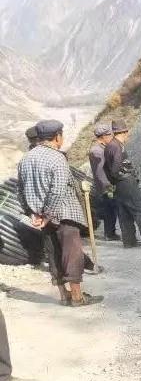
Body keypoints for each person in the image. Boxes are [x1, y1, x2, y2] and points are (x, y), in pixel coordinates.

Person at [16, 120, 106, 306]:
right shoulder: (57, 157)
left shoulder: (26, 159)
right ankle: (77, 297)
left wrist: (34, 214)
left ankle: (64, 295)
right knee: (72, 254)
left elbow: (20, 191)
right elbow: (57, 190)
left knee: (53, 253)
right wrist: (49, 214)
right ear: (57, 136)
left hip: (41, 217)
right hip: (64, 214)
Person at [103, 121, 141, 250]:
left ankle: (129, 241)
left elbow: (105, 168)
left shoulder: (109, 145)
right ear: (124, 132)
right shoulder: (118, 146)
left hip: (118, 185)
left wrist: (114, 180)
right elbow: (115, 168)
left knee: (124, 212)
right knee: (139, 211)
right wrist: (122, 176)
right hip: (126, 182)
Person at [88, 124, 120, 240]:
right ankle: (109, 234)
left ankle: (110, 232)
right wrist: (108, 186)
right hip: (106, 185)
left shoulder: (103, 148)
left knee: (111, 209)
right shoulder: (96, 151)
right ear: (103, 136)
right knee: (110, 210)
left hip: (108, 184)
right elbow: (100, 172)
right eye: (109, 135)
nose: (111, 137)